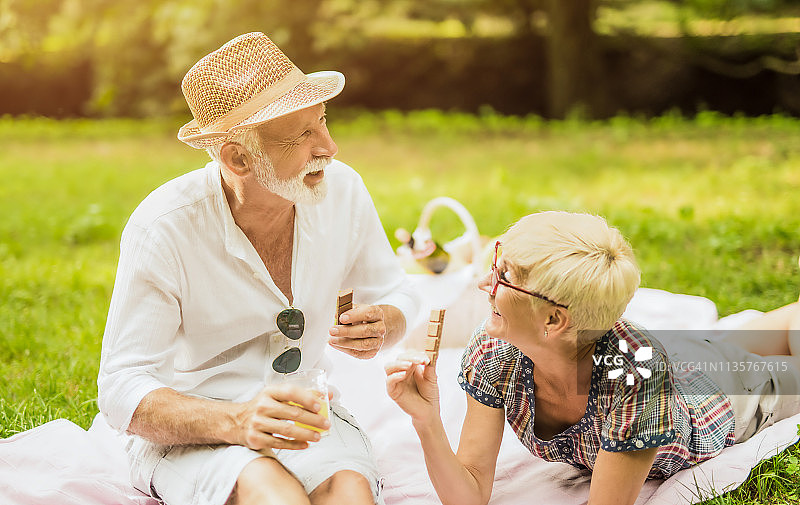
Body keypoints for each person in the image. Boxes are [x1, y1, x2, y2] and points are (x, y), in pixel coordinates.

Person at [97, 32, 421, 505]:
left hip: (308, 415)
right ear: (239, 158)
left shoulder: (342, 190)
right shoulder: (163, 226)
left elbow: (400, 290)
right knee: (273, 494)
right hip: (195, 431)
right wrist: (236, 421)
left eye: (323, 122)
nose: (330, 147)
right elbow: (122, 387)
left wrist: (387, 321)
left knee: (350, 494)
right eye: (302, 135)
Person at [385, 211, 800, 505]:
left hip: (715, 398)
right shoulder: (495, 349)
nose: (482, 282)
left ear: (553, 319)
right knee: (727, 342)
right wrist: (427, 421)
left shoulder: (637, 383)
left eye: (504, 276)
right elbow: (470, 493)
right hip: (665, 356)